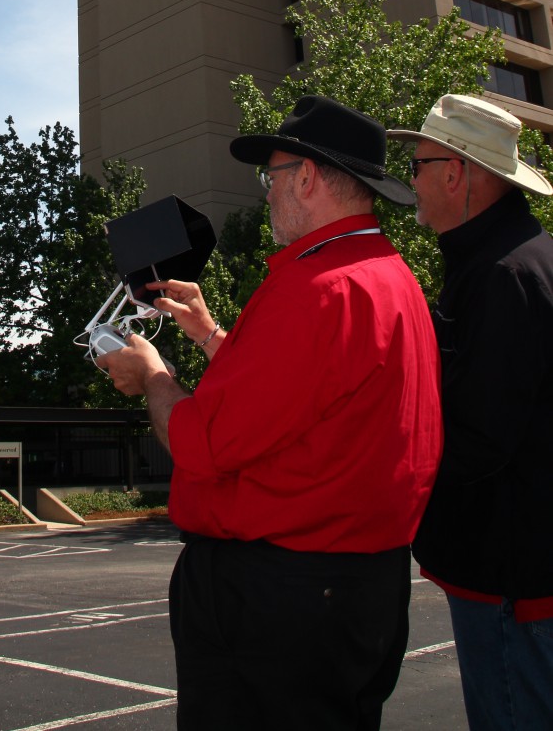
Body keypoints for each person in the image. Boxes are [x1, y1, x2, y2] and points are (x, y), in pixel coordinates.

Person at [100, 95, 442, 731]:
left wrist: (152, 376)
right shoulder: (384, 276)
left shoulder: (316, 291)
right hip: (358, 588)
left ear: (307, 177)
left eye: (271, 176)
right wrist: (208, 334)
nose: (266, 193)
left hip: (280, 598)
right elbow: (305, 399)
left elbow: (203, 446)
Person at [388, 94, 553, 730]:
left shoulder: (502, 275)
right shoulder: (513, 257)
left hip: (513, 580)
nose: (412, 180)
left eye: (421, 164)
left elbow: (479, 435)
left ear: (457, 174)